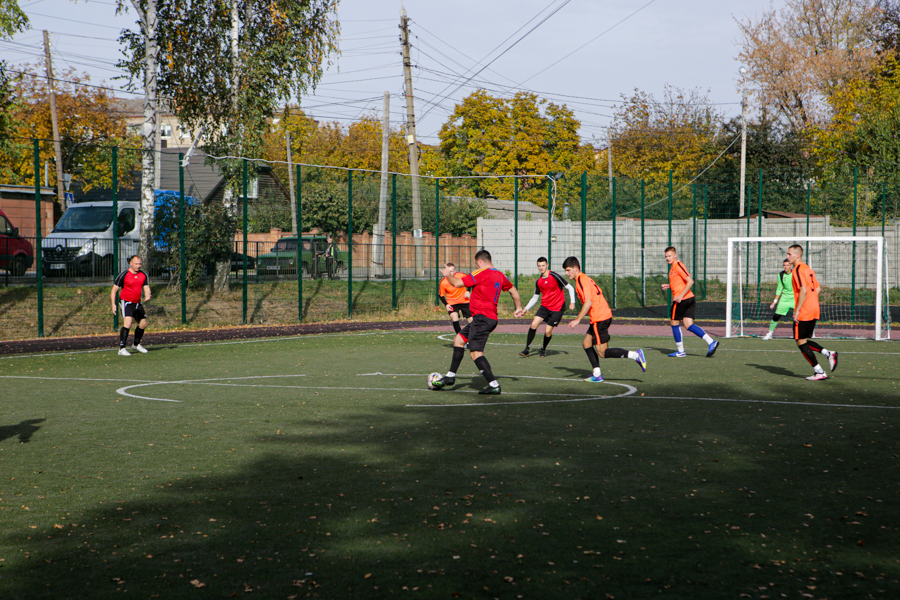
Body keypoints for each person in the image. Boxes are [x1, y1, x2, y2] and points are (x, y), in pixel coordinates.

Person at [431, 249, 524, 395]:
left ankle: (494, 385)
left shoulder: (480, 273)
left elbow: (457, 283)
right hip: (487, 318)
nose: (476, 266)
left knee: (475, 353)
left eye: (476, 263)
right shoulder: (500, 275)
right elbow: (513, 290)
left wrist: (448, 274)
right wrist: (518, 307)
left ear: (480, 261)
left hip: (482, 318)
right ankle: (450, 376)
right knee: (458, 340)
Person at [564, 256, 646, 381]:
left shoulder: (581, 280)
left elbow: (588, 302)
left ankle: (635, 355)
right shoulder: (584, 278)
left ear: (576, 268)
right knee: (586, 343)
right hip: (602, 315)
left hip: (599, 318)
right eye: (565, 270)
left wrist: (577, 320)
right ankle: (597, 374)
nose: (566, 273)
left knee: (602, 352)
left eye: (568, 270)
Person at [786, 244, 838, 380]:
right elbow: (818, 288)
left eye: (789, 254)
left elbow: (803, 290)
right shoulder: (808, 268)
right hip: (814, 309)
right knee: (802, 340)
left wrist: (797, 310)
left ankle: (820, 370)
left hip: (804, 310)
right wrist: (811, 301)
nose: (787, 256)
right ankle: (827, 355)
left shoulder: (797, 270)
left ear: (797, 255)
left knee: (800, 341)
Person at [661, 246, 719, 357]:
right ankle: (711, 342)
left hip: (682, 300)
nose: (667, 258)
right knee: (688, 325)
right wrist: (669, 286)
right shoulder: (673, 267)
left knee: (674, 323)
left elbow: (690, 281)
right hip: (689, 298)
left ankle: (681, 351)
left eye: (669, 256)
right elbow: (680, 282)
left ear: (675, 255)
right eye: (666, 256)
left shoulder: (677, 266)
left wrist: (680, 296)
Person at [519, 256, 576, 357]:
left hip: (557, 308)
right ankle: (527, 349)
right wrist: (525, 309)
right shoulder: (539, 281)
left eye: (543, 265)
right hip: (545, 306)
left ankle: (543, 349)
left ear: (547, 265)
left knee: (547, 331)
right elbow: (535, 297)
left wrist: (572, 302)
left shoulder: (555, 276)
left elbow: (570, 288)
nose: (541, 267)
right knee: (533, 324)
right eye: (539, 266)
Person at [111, 254, 151, 356]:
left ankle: (136, 344)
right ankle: (122, 348)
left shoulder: (143, 275)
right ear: (130, 263)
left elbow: (146, 287)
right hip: (126, 302)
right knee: (128, 323)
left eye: (140, 264)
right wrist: (113, 304)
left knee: (143, 324)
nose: (138, 266)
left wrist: (147, 295)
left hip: (137, 303)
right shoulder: (124, 275)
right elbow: (114, 290)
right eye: (136, 264)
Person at [763, 259, 794, 340]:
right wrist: (775, 301)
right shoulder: (780, 275)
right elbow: (779, 288)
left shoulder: (796, 274)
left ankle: (798, 334)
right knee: (776, 316)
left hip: (795, 299)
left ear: (791, 266)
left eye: (787, 265)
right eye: (784, 265)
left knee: (798, 317)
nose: (785, 267)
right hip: (784, 299)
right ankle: (770, 334)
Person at [438, 262, 472, 335]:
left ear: (455, 271)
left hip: (464, 301)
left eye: (452, 271)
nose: (451, 273)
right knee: (454, 317)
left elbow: (470, 280)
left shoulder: (461, 275)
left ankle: (472, 336)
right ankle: (459, 336)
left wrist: (468, 291)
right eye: (449, 271)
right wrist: (446, 304)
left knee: (471, 320)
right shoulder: (443, 282)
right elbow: (441, 295)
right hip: (452, 303)